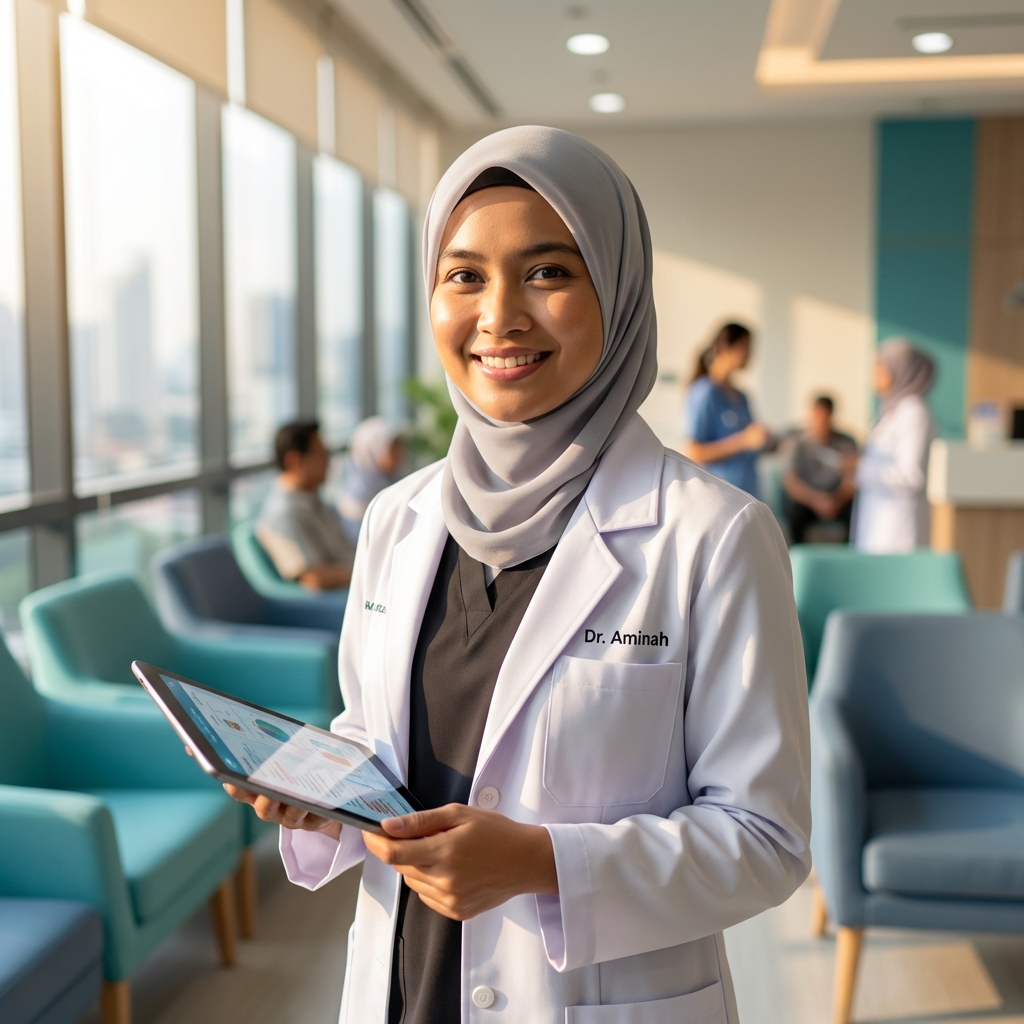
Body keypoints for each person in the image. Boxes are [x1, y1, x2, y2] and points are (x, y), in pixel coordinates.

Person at [226, 127, 810, 1024]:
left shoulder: (714, 535)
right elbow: (376, 736)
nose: (498, 316)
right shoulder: (396, 519)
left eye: (547, 272)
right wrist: (326, 796)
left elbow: (766, 839)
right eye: (463, 276)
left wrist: (542, 863)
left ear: (616, 290)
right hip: (405, 984)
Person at [852, 338, 936, 553]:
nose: (875, 373)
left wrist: (860, 468)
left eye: (881, 366)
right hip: (877, 523)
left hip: (898, 530)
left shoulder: (914, 412)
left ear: (900, 370)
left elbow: (911, 476)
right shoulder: (891, 411)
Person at [257, 420, 354, 591]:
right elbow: (313, 578)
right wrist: (368, 574)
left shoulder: (310, 499)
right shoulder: (284, 513)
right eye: (320, 454)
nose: (328, 461)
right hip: (344, 597)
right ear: (294, 461)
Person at [682, 322, 770, 497]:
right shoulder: (705, 393)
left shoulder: (742, 397)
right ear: (724, 347)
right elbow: (693, 452)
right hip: (720, 497)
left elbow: (750, 444)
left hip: (748, 494)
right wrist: (744, 440)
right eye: (745, 346)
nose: (750, 354)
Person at [781, 394, 858, 544]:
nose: (820, 423)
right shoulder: (797, 443)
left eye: (825, 418)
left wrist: (837, 500)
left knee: (856, 509)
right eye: (817, 417)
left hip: (836, 499)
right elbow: (790, 481)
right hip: (809, 500)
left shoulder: (846, 442)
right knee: (793, 511)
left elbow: (852, 479)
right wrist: (816, 501)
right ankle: (796, 552)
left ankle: (848, 552)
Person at [335, 417, 405, 545]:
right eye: (393, 448)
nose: (400, 454)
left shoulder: (396, 483)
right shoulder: (356, 498)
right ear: (372, 451)